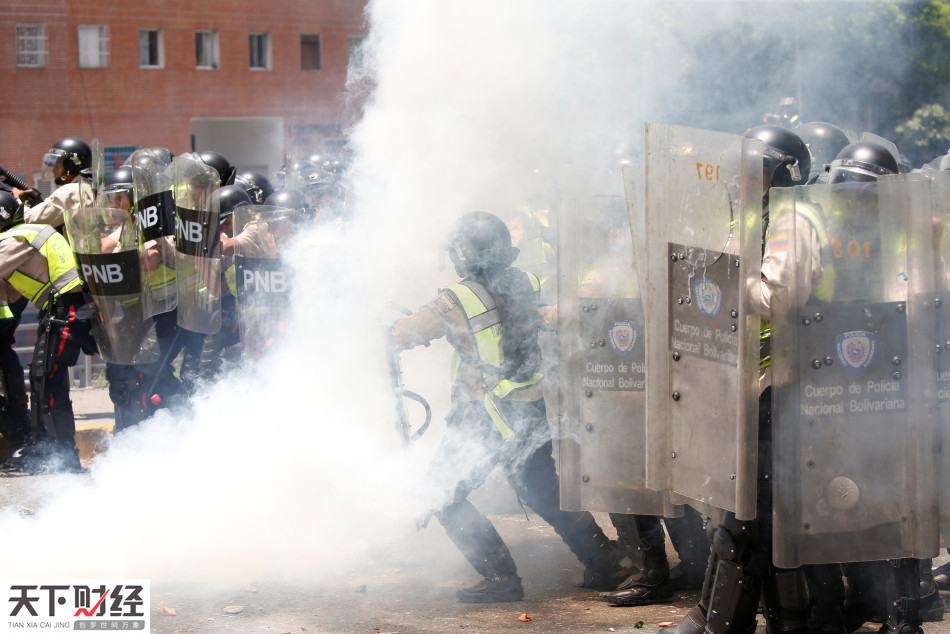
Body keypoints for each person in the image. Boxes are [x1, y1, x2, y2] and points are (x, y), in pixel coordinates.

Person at [390, 211, 627, 603]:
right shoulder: (528, 282)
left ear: (465, 253)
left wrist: (386, 331)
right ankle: (606, 563)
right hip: (527, 406)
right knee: (542, 489)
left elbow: (407, 332)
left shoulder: (457, 297)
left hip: (483, 414)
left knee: (442, 492)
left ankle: (501, 577)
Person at [671, 124, 819, 634]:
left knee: (749, 520)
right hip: (741, 386)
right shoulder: (751, 218)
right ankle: (779, 620)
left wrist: (719, 278)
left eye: (759, 166)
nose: (744, 175)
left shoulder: (791, 220)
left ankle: (723, 623)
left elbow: (778, 296)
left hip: (781, 386)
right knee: (747, 514)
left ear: (783, 173)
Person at [0, 192, 97, 472]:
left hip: (64, 308)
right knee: (46, 380)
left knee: (48, 380)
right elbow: (10, 290)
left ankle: (62, 459)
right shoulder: (23, 237)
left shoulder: (16, 238)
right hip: (62, 308)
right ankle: (55, 456)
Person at [12, 137, 94, 232]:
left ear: (70, 165)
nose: (54, 170)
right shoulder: (90, 186)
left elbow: (31, 220)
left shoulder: (70, 191)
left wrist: (16, 199)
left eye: (58, 166)